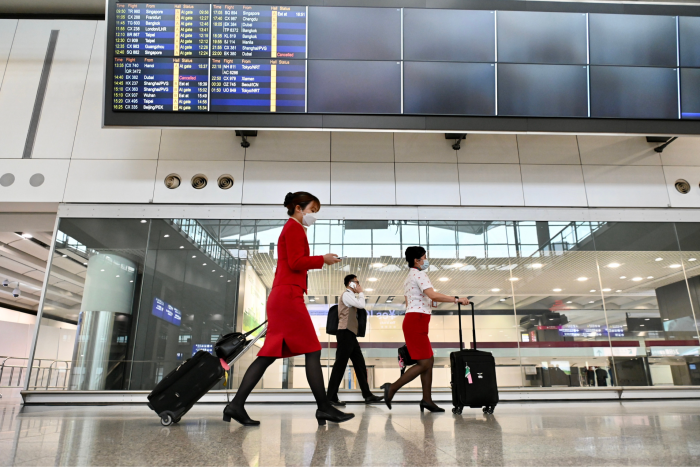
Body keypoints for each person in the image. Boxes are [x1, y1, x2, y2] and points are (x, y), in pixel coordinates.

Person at [223, 192, 354, 426]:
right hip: (288, 297)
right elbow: (295, 262)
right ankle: (323, 407)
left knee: (268, 355)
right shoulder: (293, 228)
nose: (314, 215)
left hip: (284, 295)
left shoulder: (293, 228)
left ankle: (236, 405)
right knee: (312, 349)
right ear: (297, 208)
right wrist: (321, 259)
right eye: (312, 209)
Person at [381, 246, 470, 413]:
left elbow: (412, 302)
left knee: (429, 360)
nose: (426, 260)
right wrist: (457, 299)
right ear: (417, 260)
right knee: (425, 362)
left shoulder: (409, 277)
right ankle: (392, 388)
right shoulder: (420, 274)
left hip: (415, 319)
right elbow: (433, 295)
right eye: (424, 257)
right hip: (417, 320)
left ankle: (427, 400)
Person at [326, 274, 383, 406]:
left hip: (350, 335)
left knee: (360, 364)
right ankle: (330, 397)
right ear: (350, 283)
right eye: (356, 282)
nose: (358, 284)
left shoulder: (351, 296)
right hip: (344, 333)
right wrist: (361, 292)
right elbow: (361, 305)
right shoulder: (346, 295)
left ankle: (367, 395)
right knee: (340, 366)